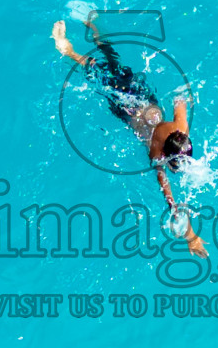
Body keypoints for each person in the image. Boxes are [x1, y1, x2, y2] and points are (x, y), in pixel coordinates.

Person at [51, 15, 208, 258]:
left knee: (112, 62)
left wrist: (186, 94)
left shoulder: (181, 126)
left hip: (140, 93)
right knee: (95, 70)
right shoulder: (156, 154)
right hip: (124, 108)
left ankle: (92, 27)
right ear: (166, 154)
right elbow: (170, 200)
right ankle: (66, 48)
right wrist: (190, 235)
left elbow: (180, 98)